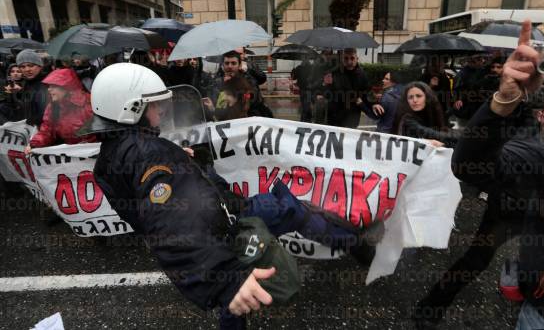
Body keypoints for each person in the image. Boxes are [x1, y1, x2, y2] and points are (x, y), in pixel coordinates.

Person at [85, 63, 372, 330]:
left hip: (217, 226)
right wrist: (224, 276)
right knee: (288, 211)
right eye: (153, 104)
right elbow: (173, 219)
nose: (160, 110)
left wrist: (184, 165)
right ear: (130, 108)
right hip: (226, 224)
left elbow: (146, 209)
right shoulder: (149, 153)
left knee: (235, 300)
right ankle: (354, 244)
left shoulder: (111, 158)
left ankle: (350, 243)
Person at [450, 20, 544, 329]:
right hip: (511, 219)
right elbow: (474, 162)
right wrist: (504, 101)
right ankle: (430, 310)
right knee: (474, 260)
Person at [414, 94, 544, 329]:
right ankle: (430, 308)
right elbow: (480, 149)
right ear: (540, 116)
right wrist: (437, 140)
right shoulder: (525, 138)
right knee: (475, 260)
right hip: (506, 211)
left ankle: (529, 301)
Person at [24, 68, 96, 153]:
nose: (49, 89)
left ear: (66, 87)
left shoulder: (90, 103)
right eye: (49, 86)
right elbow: (47, 131)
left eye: (53, 86)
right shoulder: (53, 107)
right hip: (73, 158)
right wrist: (34, 144)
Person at [313, 48, 370, 128]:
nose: (349, 61)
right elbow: (323, 91)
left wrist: (373, 104)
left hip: (352, 117)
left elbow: (366, 93)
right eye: (346, 58)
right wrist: (324, 85)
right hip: (334, 117)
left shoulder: (362, 75)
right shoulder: (333, 73)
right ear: (342, 59)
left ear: (357, 59)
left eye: (352, 58)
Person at [392, 82, 458, 148]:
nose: (414, 100)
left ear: (427, 97)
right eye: (410, 97)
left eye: (418, 96)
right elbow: (432, 134)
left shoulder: (433, 114)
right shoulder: (407, 119)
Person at [16, 49, 48, 127]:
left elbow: (50, 113)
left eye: (31, 65)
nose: (27, 69)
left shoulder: (48, 83)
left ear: (40, 66)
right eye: (23, 67)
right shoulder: (26, 83)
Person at [291, 57, 315, 122]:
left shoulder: (300, 68)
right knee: (306, 105)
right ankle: (307, 119)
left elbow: (293, 77)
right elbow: (293, 77)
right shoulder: (310, 68)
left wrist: (293, 72)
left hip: (305, 90)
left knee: (305, 106)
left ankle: (304, 120)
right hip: (306, 90)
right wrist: (293, 72)